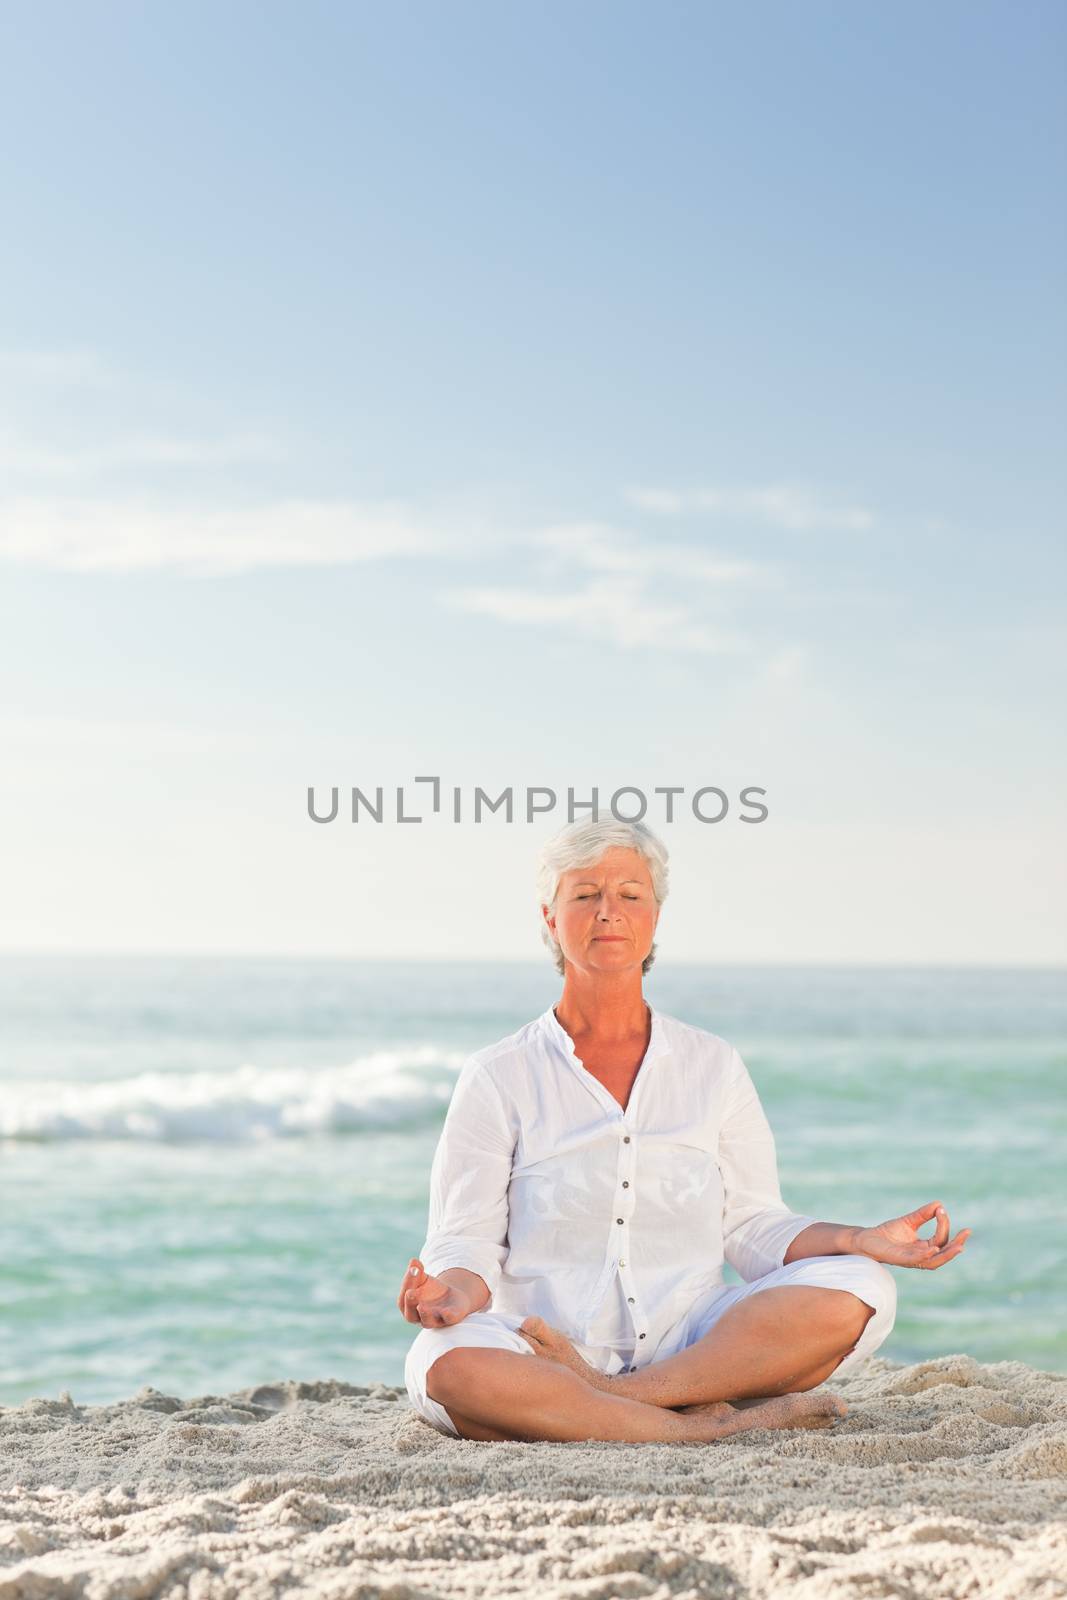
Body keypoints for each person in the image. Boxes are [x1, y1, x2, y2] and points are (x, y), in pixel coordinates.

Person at [399, 814, 970, 1443]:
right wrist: (449, 1294)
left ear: (655, 917)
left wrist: (860, 1239)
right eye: (585, 895)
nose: (608, 911)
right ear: (550, 917)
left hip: (693, 1339)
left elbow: (753, 1225)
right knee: (442, 1365)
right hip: (538, 1341)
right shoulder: (497, 1073)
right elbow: (465, 1240)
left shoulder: (712, 1063)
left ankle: (618, 1399)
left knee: (861, 1288)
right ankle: (701, 1429)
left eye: (630, 895)